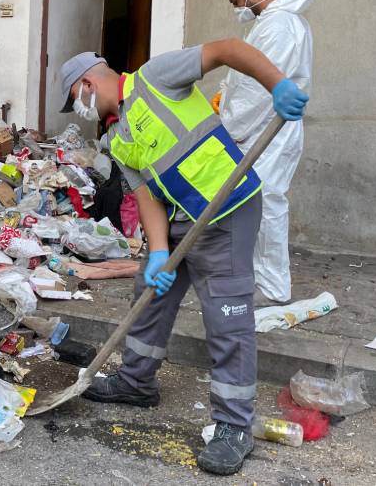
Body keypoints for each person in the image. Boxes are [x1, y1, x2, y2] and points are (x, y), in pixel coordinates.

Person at [57, 41, 308, 476]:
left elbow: (227, 49)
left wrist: (277, 84)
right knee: (149, 297)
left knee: (226, 317)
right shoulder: (117, 137)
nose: (79, 109)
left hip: (226, 209)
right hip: (177, 219)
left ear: (87, 85)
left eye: (75, 99)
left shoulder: (156, 77)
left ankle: (234, 426)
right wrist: (158, 252)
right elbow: (145, 194)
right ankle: (135, 382)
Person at [216, 0, 321, 304]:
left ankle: (273, 287)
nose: (237, 9)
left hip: (270, 128)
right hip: (264, 127)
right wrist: (224, 97)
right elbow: (247, 76)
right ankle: (256, 279)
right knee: (257, 204)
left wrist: (229, 125)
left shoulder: (280, 26)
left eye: (236, 1)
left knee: (266, 204)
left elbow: (259, 92)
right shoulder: (274, 23)